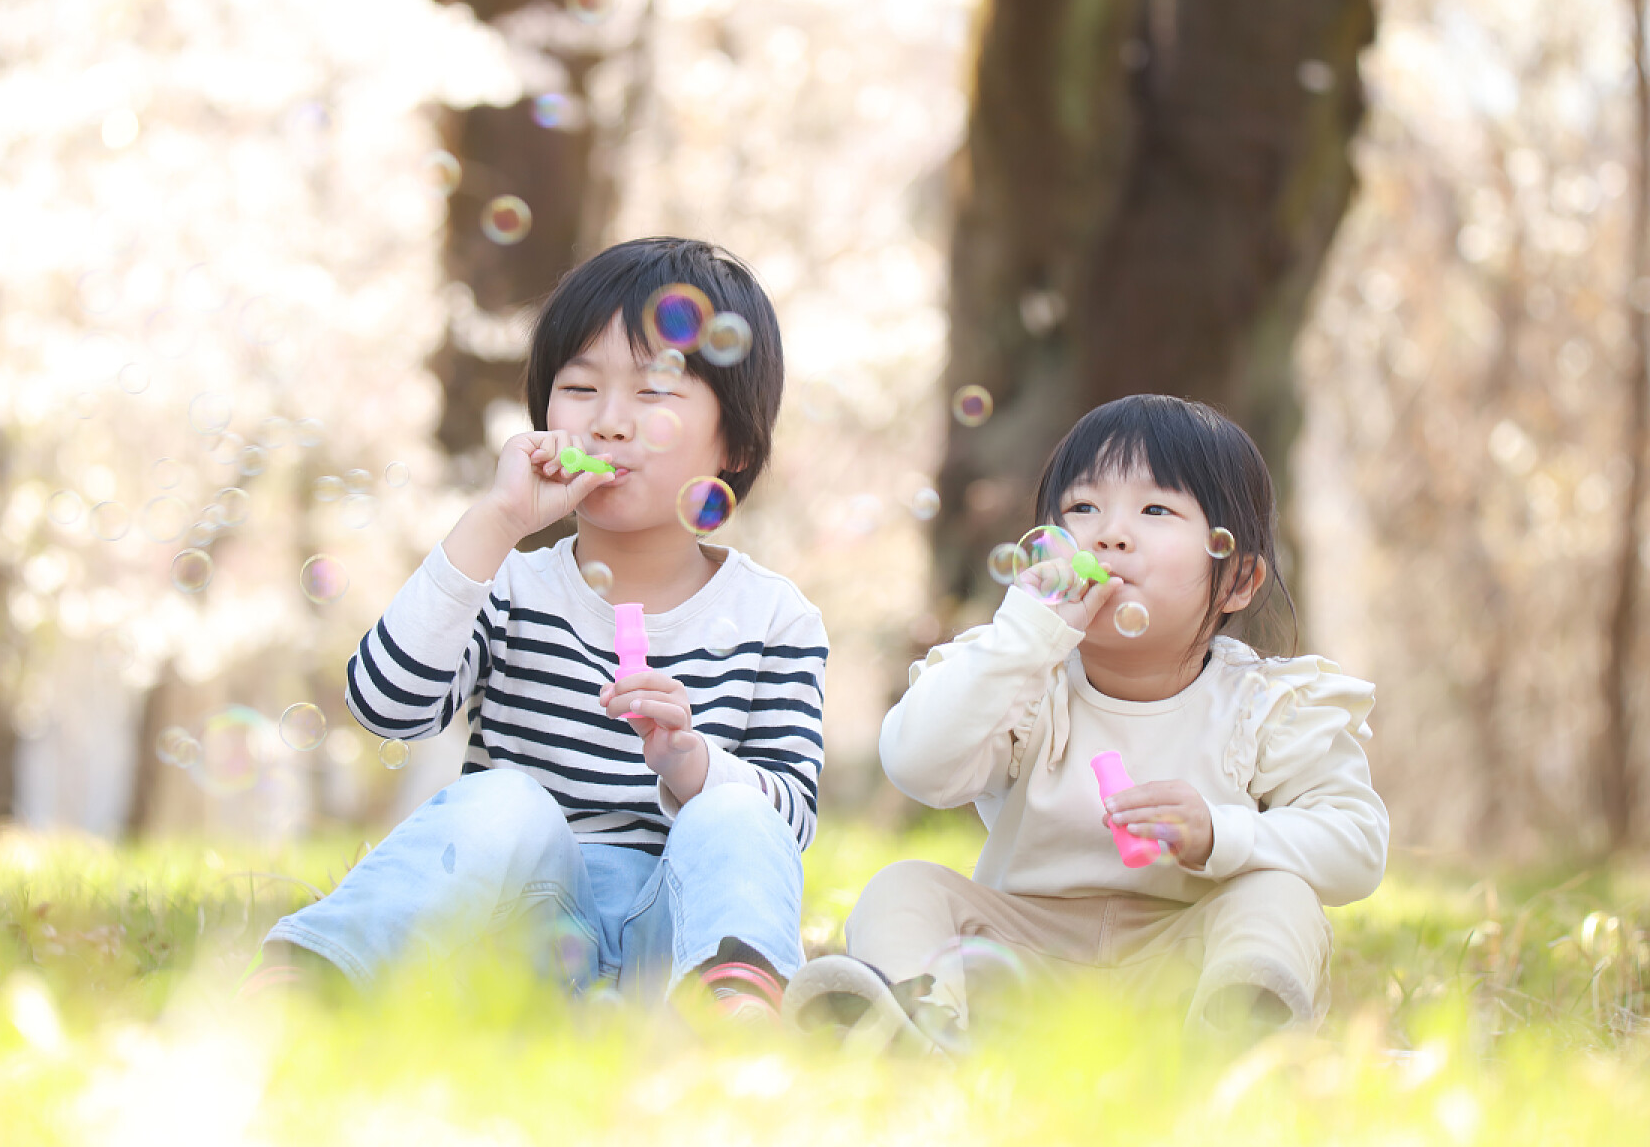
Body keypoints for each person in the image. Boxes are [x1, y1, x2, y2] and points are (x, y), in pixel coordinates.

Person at [247, 238, 826, 1019]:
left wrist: (695, 767)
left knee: (736, 812)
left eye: (657, 392)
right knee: (504, 798)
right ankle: (311, 980)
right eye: (581, 387)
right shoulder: (513, 587)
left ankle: (737, 1015)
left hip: (680, 946)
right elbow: (386, 707)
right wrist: (495, 524)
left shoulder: (774, 620)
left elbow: (787, 820)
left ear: (737, 445)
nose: (611, 423)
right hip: (522, 941)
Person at [785, 394, 1387, 1050]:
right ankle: (919, 1026)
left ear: (1238, 579)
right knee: (902, 885)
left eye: (1156, 510)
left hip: (1182, 972)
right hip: (1020, 966)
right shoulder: (1018, 679)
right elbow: (917, 766)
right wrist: (1024, 637)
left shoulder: (1270, 703)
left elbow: (1355, 844)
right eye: (1082, 508)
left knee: (1280, 896)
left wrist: (1221, 833)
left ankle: (1237, 1038)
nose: (1108, 534)